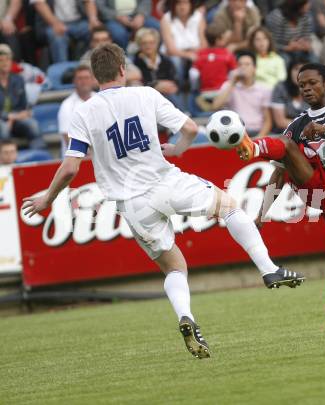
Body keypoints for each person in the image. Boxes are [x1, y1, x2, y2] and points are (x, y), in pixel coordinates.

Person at [22, 43, 305, 359]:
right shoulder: (144, 94)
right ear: (122, 70)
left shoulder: (84, 112)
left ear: (94, 76)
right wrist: (180, 148)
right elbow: (189, 127)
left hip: (132, 203)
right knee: (228, 206)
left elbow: (71, 166)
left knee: (174, 266)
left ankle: (188, 317)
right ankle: (268, 269)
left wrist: (48, 198)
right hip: (166, 180)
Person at [236, 62, 325, 339]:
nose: (307, 88)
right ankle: (253, 147)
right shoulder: (298, 125)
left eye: (312, 83)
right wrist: (261, 215)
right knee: (286, 145)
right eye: (302, 85)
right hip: (314, 190)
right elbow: (279, 172)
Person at [211, 50, 272, 138]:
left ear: (254, 69)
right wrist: (232, 82)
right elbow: (215, 106)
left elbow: (267, 120)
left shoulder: (264, 89)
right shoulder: (229, 85)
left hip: (257, 131)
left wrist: (258, 138)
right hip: (235, 132)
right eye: (240, 65)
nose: (243, 67)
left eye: (247, 64)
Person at [0, 44, 42, 149]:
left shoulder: (18, 80)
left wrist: (12, 118)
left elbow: (23, 107)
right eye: (1, 60)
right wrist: (7, 117)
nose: (5, 63)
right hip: (2, 120)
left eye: (8, 59)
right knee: (3, 128)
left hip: (15, 118)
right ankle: (6, 161)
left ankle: (37, 158)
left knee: (33, 125)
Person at [31, 0, 101, 63]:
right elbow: (39, 4)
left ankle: (90, 66)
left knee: (99, 32)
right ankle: (62, 70)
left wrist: (93, 19)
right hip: (51, 24)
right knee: (57, 37)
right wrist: (55, 23)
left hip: (78, 23)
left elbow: (88, 2)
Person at [189, 23, 236, 115]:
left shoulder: (200, 54)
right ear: (218, 40)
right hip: (222, 94)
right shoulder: (227, 54)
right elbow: (234, 74)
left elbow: (193, 74)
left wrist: (196, 87)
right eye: (224, 38)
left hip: (204, 94)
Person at [160, 0, 207, 87]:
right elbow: (170, 49)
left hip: (194, 53)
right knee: (176, 61)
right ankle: (179, 88)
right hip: (173, 55)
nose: (182, 6)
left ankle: (196, 90)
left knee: (204, 58)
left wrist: (193, 52)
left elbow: (204, 44)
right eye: (179, 3)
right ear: (174, 5)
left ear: (191, 4)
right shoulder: (166, 19)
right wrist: (188, 54)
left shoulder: (199, 17)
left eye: (185, 3)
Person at [58, 65, 95, 156]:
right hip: (77, 159)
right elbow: (67, 138)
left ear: (93, 80)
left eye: (86, 78)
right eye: (80, 78)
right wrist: (90, 154)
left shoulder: (100, 99)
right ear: (74, 81)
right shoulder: (66, 106)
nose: (84, 81)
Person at [95, 0, 160, 50]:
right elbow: (100, 7)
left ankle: (156, 59)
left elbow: (145, 2)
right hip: (113, 18)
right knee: (119, 34)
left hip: (137, 14)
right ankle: (123, 60)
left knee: (156, 27)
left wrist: (141, 15)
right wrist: (117, 16)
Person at [270, 59, 307, 133]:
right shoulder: (280, 88)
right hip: (283, 133)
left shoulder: (313, 90)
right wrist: (306, 126)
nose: (299, 73)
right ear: (290, 71)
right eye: (296, 69)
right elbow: (280, 122)